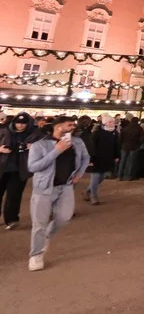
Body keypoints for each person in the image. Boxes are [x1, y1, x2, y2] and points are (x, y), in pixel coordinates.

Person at [27, 116, 90, 271]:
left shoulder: (77, 142)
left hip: (66, 187)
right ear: (58, 126)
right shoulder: (39, 145)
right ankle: (36, 254)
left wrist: (80, 173)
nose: (72, 128)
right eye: (69, 125)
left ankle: (47, 235)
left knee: (64, 217)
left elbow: (85, 157)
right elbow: (33, 167)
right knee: (39, 224)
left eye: (73, 126)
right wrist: (56, 151)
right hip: (43, 189)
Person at [0, 112, 36, 230]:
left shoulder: (33, 134)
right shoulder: (4, 131)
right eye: (18, 123)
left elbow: (44, 148)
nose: (20, 125)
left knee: (14, 195)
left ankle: (12, 219)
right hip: (2, 167)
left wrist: (34, 148)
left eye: (23, 123)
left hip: (19, 170)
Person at [82, 114, 119, 205]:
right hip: (96, 159)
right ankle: (93, 196)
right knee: (95, 178)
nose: (112, 123)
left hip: (108, 158)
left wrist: (117, 156)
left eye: (113, 122)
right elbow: (91, 147)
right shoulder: (97, 133)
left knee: (102, 177)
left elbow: (117, 146)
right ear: (105, 123)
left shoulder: (114, 133)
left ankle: (87, 190)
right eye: (110, 122)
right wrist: (90, 160)